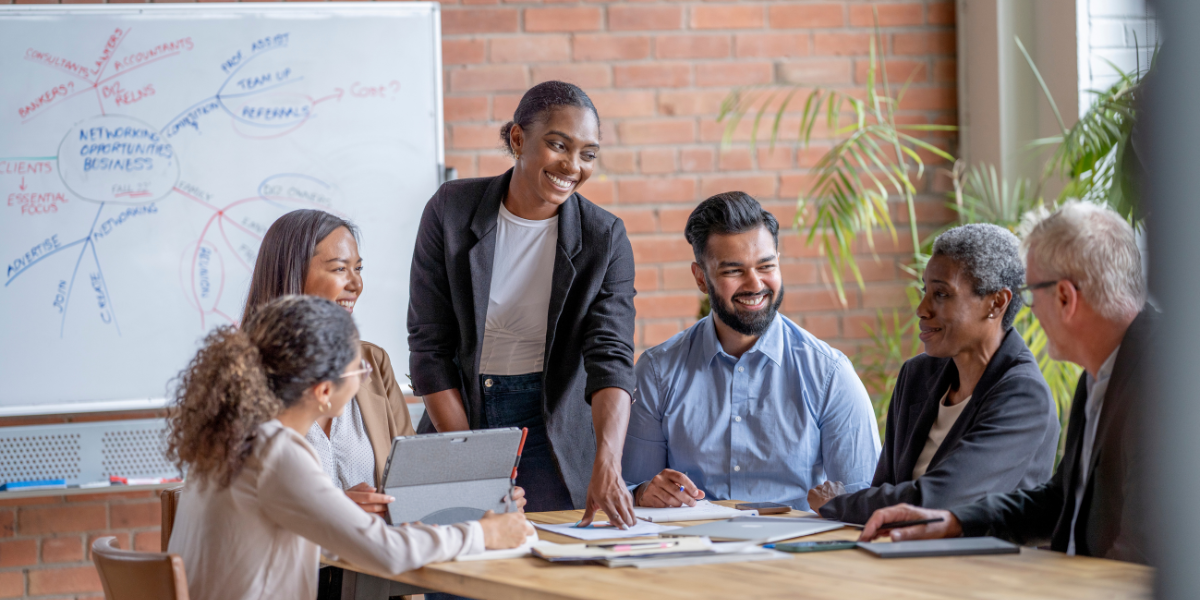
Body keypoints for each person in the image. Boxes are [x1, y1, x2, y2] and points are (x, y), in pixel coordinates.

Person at [166, 295, 532, 600]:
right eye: (358, 369)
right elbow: (386, 553)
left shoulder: (230, 441)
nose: (366, 377)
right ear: (324, 392)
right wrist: (483, 533)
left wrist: (347, 515)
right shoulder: (277, 451)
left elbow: (308, 538)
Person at [859, 201, 1153, 565]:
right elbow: (1059, 502)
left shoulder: (1161, 384)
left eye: (1030, 294)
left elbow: (1146, 554)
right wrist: (954, 521)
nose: (1026, 310)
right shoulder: (1101, 374)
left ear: (1065, 297)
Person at [408, 81, 637, 526]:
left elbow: (611, 357)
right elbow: (428, 347)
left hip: (550, 428)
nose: (573, 166)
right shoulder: (451, 211)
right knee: (456, 575)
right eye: (558, 145)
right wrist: (472, 461)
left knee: (548, 579)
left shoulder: (604, 237)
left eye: (588, 154)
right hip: (458, 414)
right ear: (518, 139)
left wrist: (607, 463)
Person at [622, 191, 881, 511]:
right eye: (734, 271)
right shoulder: (657, 371)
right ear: (701, 278)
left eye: (765, 266)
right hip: (693, 552)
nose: (755, 284)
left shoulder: (829, 374)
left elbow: (866, 501)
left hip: (793, 553)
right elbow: (633, 488)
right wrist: (645, 492)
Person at [809, 224, 1060, 523]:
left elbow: (941, 499)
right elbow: (885, 487)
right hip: (898, 552)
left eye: (941, 294)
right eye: (925, 291)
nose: (922, 309)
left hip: (979, 565)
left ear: (996, 303)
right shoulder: (916, 375)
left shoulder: (1024, 395)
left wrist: (839, 502)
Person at [242, 210, 414, 516]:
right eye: (339, 269)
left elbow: (415, 481)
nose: (356, 284)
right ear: (292, 274)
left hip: (373, 559)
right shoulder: (240, 375)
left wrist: (484, 500)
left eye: (358, 269)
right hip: (293, 561)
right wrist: (332, 508)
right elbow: (240, 504)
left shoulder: (373, 361)